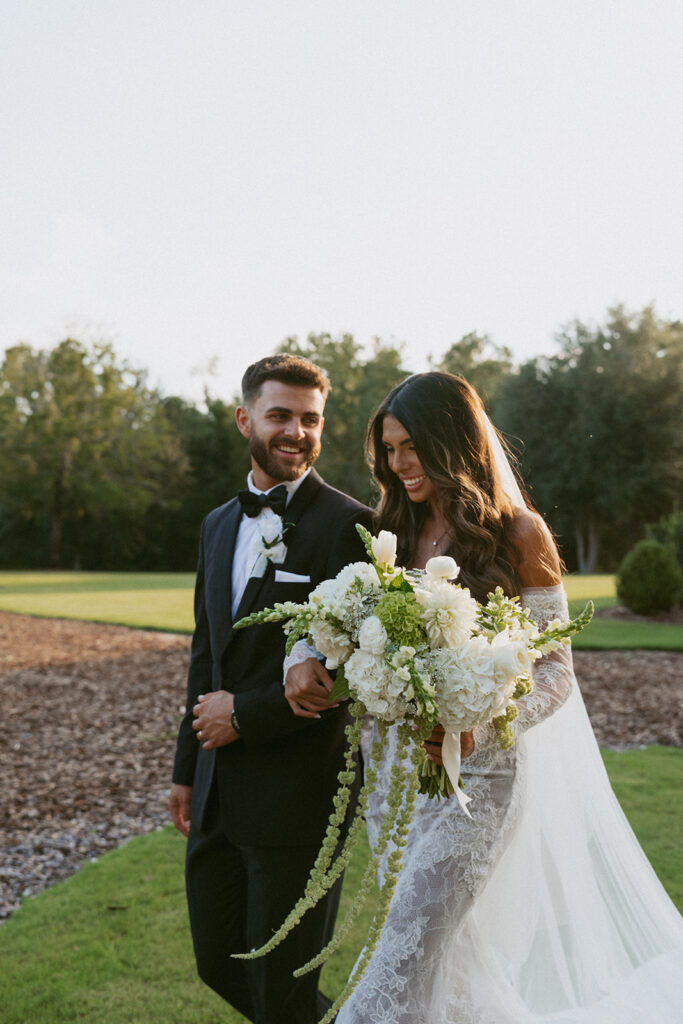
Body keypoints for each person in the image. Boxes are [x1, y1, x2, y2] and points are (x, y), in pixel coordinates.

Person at [290, 370, 683, 1023]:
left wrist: (484, 718)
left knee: (400, 959)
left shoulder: (519, 535)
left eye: (411, 445)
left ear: (452, 439)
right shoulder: (388, 527)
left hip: (480, 779)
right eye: (388, 450)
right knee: (451, 964)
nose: (399, 464)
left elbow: (554, 670)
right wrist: (301, 655)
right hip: (395, 777)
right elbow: (330, 619)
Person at [168, 354, 371, 1024]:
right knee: (214, 959)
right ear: (243, 419)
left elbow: (351, 675)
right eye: (280, 415)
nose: (296, 431)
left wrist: (246, 716)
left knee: (280, 989)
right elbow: (208, 656)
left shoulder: (351, 527)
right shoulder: (215, 524)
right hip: (218, 782)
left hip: (302, 792)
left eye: (310, 419)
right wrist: (185, 769)